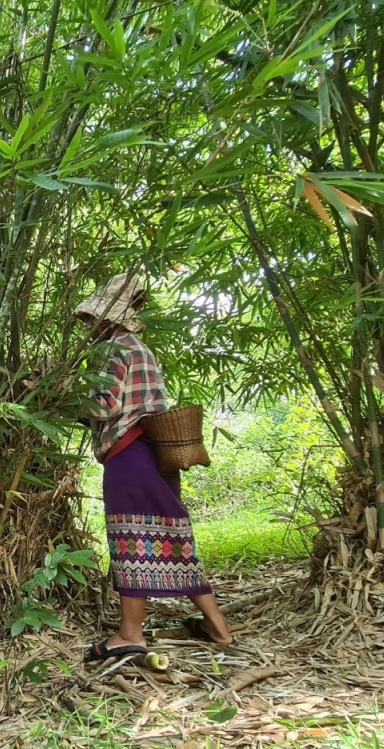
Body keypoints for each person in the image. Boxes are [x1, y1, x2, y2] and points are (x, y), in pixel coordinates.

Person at [76, 274, 231, 664]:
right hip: (155, 453)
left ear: (105, 317)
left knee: (131, 539)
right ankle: (218, 627)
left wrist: (57, 396)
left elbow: (104, 407)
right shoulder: (140, 347)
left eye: (91, 318)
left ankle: (130, 634)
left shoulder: (112, 348)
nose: (88, 326)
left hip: (129, 457)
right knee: (171, 536)